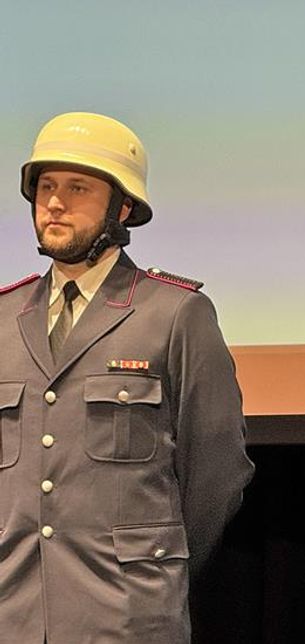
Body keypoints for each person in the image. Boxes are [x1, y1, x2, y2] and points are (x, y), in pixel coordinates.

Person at [0, 112, 254, 644]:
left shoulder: (175, 313)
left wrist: (157, 568)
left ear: (122, 207)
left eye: (77, 187)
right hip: (15, 610)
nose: (54, 202)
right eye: (45, 186)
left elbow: (216, 469)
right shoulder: (3, 319)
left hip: (128, 615)